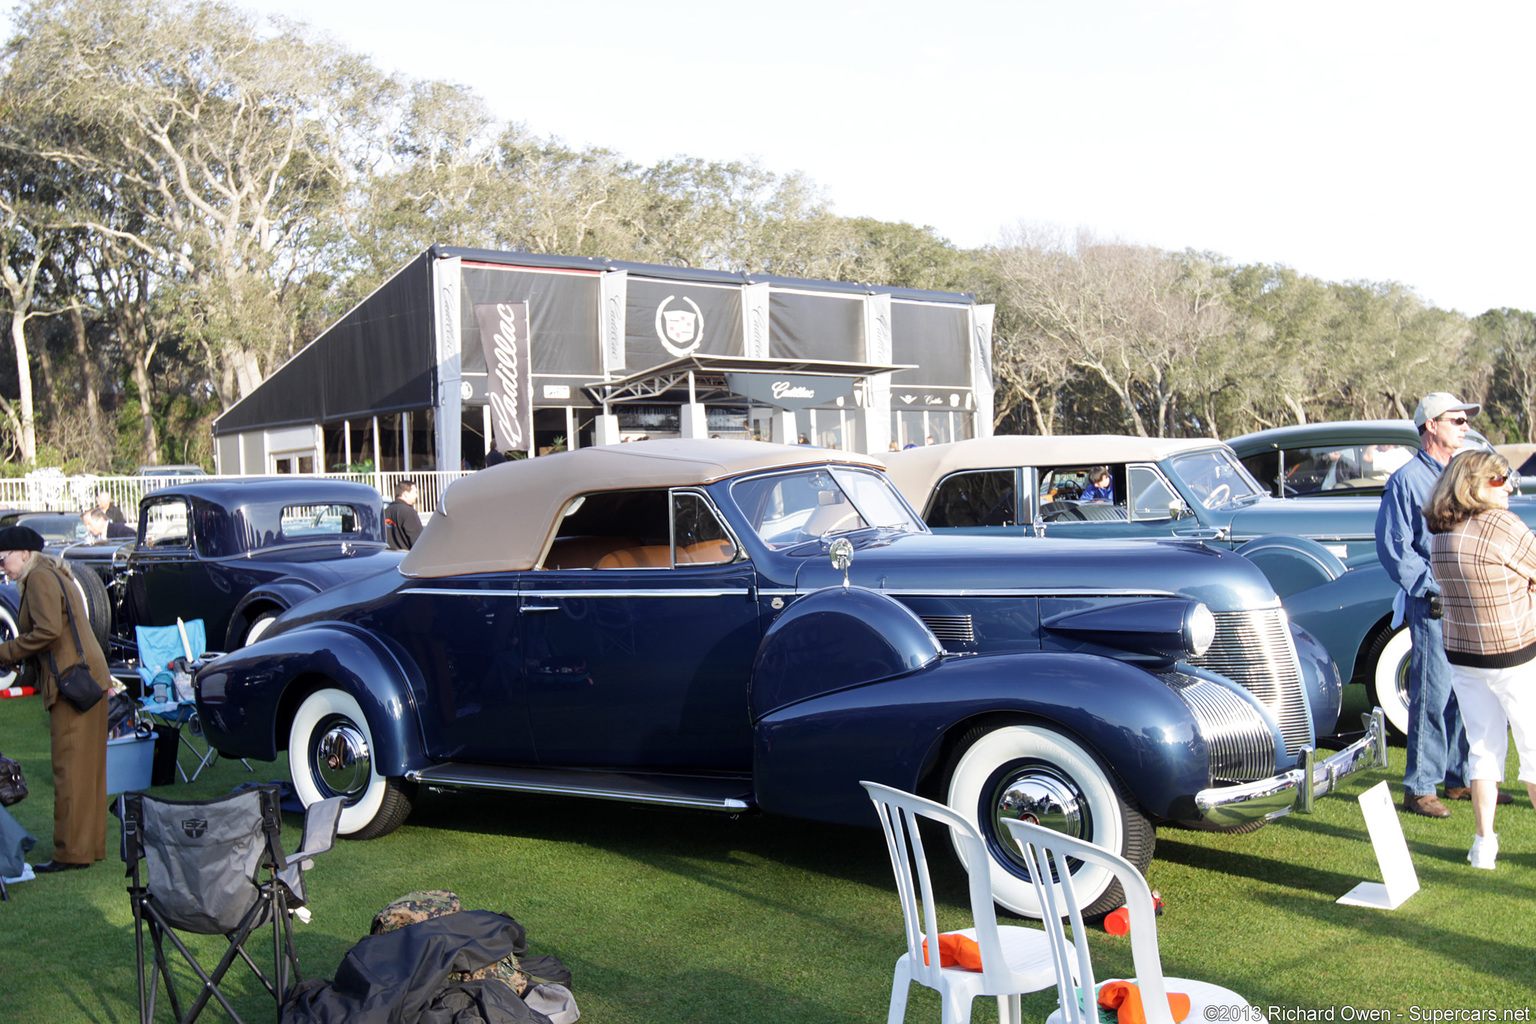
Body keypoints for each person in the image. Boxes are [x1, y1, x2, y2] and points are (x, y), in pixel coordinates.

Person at [1375, 392, 1491, 818]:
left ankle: (1458, 778)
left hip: (1469, 598)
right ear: (1431, 426)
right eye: (1457, 420)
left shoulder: (1463, 473)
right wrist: (1431, 586)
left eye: (1465, 420)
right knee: (1433, 694)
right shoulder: (1407, 479)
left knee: (1467, 690)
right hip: (1435, 602)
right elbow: (1393, 547)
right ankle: (1419, 786)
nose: (1464, 426)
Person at [1425, 450, 1536, 868]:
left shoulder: (1441, 531)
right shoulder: (1502, 526)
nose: (1509, 485)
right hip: (1515, 654)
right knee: (1533, 749)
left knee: (1483, 750)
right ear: (1475, 483)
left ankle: (1483, 843)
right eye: (1500, 479)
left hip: (1465, 656)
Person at [0, 526, 109, 873]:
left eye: (4, 560)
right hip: (90, 677)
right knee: (90, 771)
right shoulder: (55, 573)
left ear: (24, 553)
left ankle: (71, 853)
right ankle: (89, 847)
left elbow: (47, 631)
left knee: (70, 770)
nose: (3, 567)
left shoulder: (39, 580)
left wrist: (6, 651)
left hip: (71, 681)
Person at [384, 481, 423, 551]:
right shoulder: (409, 512)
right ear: (405, 494)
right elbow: (418, 542)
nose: (416, 495)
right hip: (405, 558)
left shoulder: (385, 511)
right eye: (415, 492)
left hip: (388, 557)